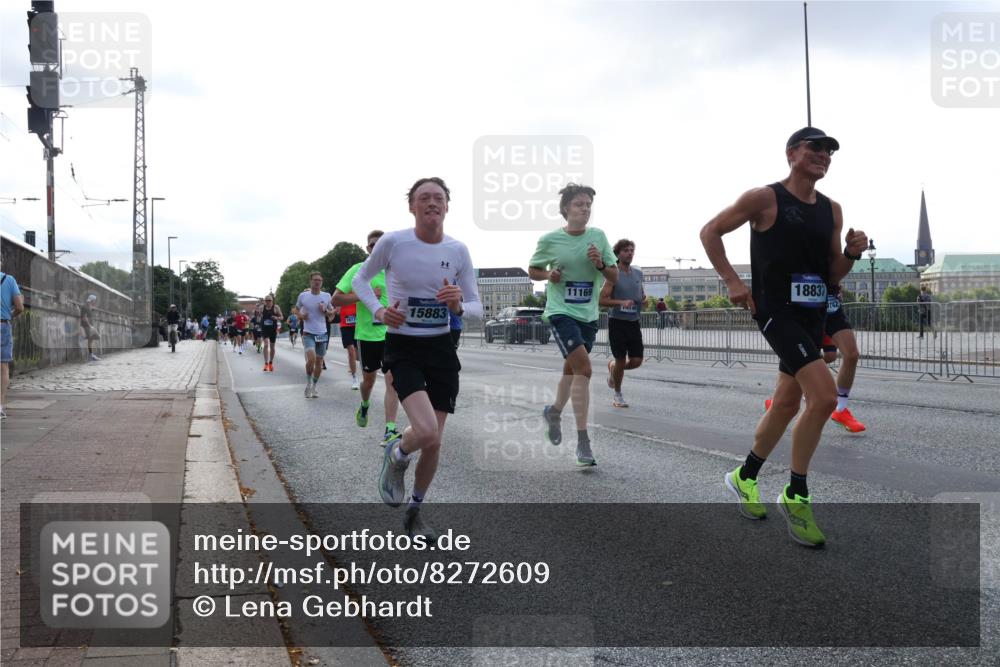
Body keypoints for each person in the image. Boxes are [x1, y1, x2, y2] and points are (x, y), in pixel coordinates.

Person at [701, 126, 868, 547]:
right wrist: (733, 282)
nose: (824, 156)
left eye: (830, 151)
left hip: (813, 315)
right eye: (816, 148)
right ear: (792, 153)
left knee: (789, 402)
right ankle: (796, 493)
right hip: (776, 312)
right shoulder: (765, 198)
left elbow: (833, 274)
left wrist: (850, 254)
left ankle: (745, 476)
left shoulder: (832, 210)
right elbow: (710, 231)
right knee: (825, 398)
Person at [353, 177, 482, 538]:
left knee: (435, 440)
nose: (431, 203)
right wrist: (379, 312)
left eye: (438, 198)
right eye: (423, 198)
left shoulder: (458, 250)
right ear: (412, 207)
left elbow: (475, 307)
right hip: (404, 347)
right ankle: (396, 453)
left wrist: (457, 305)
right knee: (424, 431)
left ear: (446, 207)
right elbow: (362, 282)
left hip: (441, 348)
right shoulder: (394, 242)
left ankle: (415, 510)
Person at [528, 183, 617, 467]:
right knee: (584, 369)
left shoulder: (599, 237)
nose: (585, 208)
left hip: (587, 316)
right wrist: (548, 275)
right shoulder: (550, 239)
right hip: (560, 312)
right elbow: (533, 269)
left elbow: (614, 277)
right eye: (579, 204)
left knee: (571, 371)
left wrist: (601, 264)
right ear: (566, 208)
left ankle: (554, 412)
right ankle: (583, 441)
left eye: (588, 204)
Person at [334, 229, 402, 446]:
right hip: (367, 335)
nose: (377, 248)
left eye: (381, 244)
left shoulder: (395, 270)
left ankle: (389, 430)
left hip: (392, 334)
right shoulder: (358, 270)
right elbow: (336, 299)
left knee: (393, 380)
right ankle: (364, 404)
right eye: (373, 245)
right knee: (369, 381)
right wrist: (364, 296)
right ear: (368, 248)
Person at [600, 239, 645, 408]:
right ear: (617, 254)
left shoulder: (638, 273)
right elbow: (602, 300)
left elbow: (640, 293)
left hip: (633, 321)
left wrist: (644, 300)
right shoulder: (613, 273)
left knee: (636, 361)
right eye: (626, 250)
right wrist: (621, 303)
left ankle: (612, 368)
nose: (630, 253)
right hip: (617, 322)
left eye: (632, 250)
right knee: (621, 359)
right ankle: (617, 395)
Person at [296, 272, 335, 398]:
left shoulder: (327, 295)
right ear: (310, 281)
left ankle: (314, 386)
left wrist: (326, 311)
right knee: (311, 359)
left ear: (321, 282)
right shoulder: (303, 296)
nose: (317, 282)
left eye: (319, 280)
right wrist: (301, 316)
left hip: (322, 333)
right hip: (308, 333)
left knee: (319, 362)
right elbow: (296, 309)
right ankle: (308, 384)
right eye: (315, 280)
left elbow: (332, 313)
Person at [1, 271, 25, 420]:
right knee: (3, 367)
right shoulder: (9, 280)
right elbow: (20, 307)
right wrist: (10, 315)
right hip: (2, 325)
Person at [338, 299, 360, 390]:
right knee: (351, 350)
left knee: (358, 356)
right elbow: (336, 302)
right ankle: (355, 379)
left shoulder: (360, 288)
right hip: (345, 326)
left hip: (359, 325)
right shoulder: (342, 290)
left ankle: (354, 364)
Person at [259, 294, 283, 372]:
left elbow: (282, 317)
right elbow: (259, 317)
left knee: (272, 347)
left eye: (269, 300)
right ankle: (265, 363)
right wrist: (259, 318)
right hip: (264, 328)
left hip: (273, 329)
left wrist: (276, 317)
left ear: (272, 301)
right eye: (266, 300)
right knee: (266, 344)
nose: (268, 302)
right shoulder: (261, 308)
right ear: (265, 301)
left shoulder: (276, 307)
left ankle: (270, 363)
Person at [80, 294, 101, 361]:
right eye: (94, 300)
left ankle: (91, 355)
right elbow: (84, 318)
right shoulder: (85, 307)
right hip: (86, 326)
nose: (95, 302)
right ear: (91, 300)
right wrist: (90, 326)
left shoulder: (89, 307)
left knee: (91, 339)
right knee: (92, 338)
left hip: (89, 326)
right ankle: (89, 355)